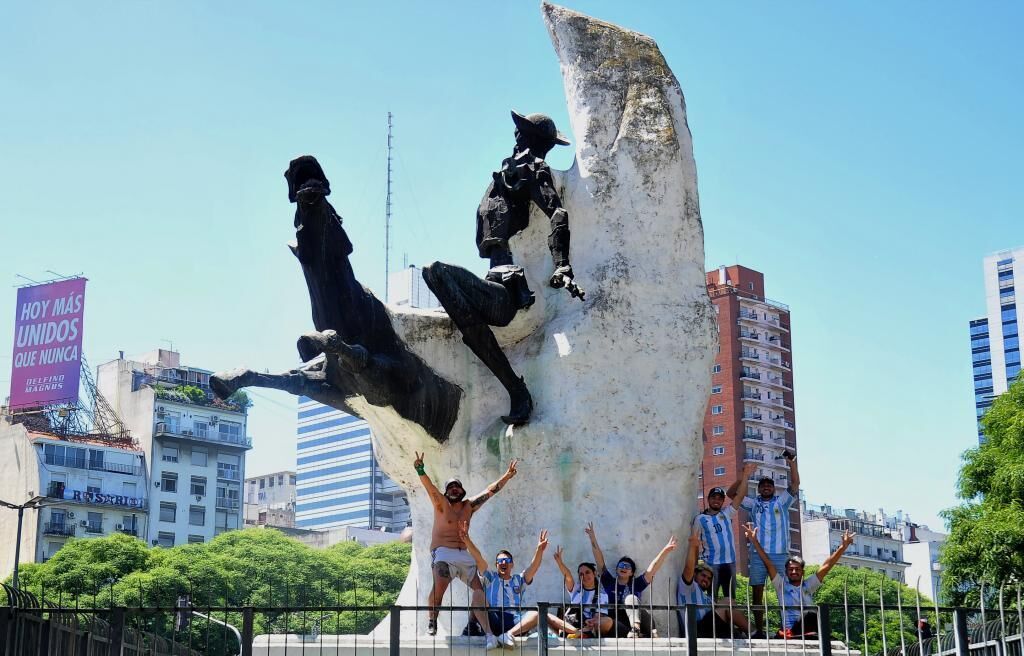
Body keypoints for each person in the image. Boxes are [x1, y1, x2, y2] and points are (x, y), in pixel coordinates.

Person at [422, 111, 584, 425]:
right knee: (439, 280)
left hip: (509, 290)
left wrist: (563, 265)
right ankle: (516, 391)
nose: (516, 135)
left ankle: (515, 389)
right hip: (492, 278)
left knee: (436, 271)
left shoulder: (531, 169)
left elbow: (557, 213)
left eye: (522, 131)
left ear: (533, 139)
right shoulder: (504, 174)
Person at [415, 451, 519, 644]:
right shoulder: (441, 504)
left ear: (462, 490)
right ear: (446, 492)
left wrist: (507, 475)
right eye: (450, 487)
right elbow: (430, 488)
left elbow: (490, 491)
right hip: (443, 553)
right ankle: (432, 621)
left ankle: (476, 624)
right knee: (439, 587)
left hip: (464, 553)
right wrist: (421, 469)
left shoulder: (468, 507)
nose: (454, 489)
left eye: (457, 486)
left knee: (481, 592)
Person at [460, 523, 574, 647]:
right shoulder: (490, 577)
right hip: (493, 618)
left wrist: (539, 550)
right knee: (477, 594)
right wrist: (467, 540)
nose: (503, 562)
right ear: (496, 565)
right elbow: (478, 559)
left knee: (536, 613)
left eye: (507, 560)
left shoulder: (518, 579)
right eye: (500, 561)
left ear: (512, 564)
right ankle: (490, 636)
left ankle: (508, 635)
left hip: (514, 620)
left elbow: (533, 567)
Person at [728, 455, 800, 638]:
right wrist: (743, 476)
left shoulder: (782, 501)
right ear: (758, 489)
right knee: (757, 592)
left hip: (779, 554)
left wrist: (791, 463)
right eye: (763, 485)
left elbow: (795, 484)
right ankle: (759, 631)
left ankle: (789, 629)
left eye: (769, 484)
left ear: (774, 488)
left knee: (785, 593)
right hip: (758, 553)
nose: (766, 486)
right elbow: (731, 494)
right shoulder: (753, 503)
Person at [744, 523, 855, 638]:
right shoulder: (781, 585)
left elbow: (827, 566)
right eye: (790, 569)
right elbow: (768, 563)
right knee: (810, 613)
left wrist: (843, 546)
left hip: (808, 628)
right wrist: (754, 541)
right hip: (791, 630)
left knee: (820, 615)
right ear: (786, 572)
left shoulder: (808, 585)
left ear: (803, 572)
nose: (794, 572)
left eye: (797, 569)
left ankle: (824, 637)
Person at [584, 522, 677, 637]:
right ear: (617, 569)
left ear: (632, 572)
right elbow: (599, 560)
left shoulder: (636, 584)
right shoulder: (609, 582)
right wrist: (592, 537)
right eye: (621, 566)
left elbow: (653, 568)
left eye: (627, 567)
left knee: (631, 598)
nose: (624, 568)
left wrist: (665, 551)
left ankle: (637, 629)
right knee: (600, 622)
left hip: (635, 622)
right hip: (617, 624)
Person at [677, 528, 750, 638]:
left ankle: (740, 635)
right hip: (696, 631)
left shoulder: (707, 597)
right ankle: (755, 633)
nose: (706, 579)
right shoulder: (689, 588)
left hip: (710, 629)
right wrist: (693, 546)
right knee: (726, 602)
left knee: (729, 604)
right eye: (703, 575)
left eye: (709, 578)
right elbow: (689, 569)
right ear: (695, 574)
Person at [692, 484, 744, 600]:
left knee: (730, 599)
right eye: (714, 497)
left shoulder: (726, 513)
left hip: (730, 562)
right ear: (708, 499)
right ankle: (711, 618)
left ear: (723, 501)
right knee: (711, 598)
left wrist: (744, 476)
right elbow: (694, 544)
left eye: (720, 498)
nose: (716, 500)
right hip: (711, 564)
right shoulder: (700, 519)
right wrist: (694, 566)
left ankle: (729, 618)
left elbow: (740, 497)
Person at [552, 546, 614, 638]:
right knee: (548, 616)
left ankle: (582, 633)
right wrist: (560, 563)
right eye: (581, 574)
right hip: (572, 623)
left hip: (590, 625)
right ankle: (577, 633)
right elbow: (568, 576)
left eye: (587, 572)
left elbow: (599, 616)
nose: (584, 576)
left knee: (608, 621)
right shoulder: (576, 589)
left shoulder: (602, 594)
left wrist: (589, 622)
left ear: (594, 573)